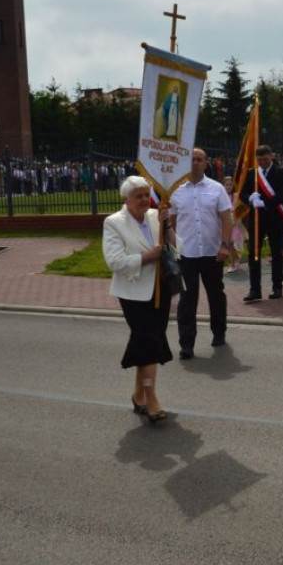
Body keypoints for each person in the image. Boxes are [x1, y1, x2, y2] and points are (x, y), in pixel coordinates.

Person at [102, 176, 174, 424]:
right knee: (148, 342)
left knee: (148, 343)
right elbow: (115, 261)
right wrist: (146, 257)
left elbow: (177, 249)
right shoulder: (114, 223)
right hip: (133, 293)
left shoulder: (156, 216)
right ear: (126, 199)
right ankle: (151, 398)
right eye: (139, 196)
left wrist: (169, 227)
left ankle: (137, 395)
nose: (145, 200)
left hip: (160, 290)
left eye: (146, 195)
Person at [169, 148, 233, 359]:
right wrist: (171, 247)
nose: (195, 163)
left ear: (206, 163)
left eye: (199, 160)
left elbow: (225, 218)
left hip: (212, 252)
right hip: (186, 255)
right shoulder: (176, 191)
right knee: (187, 299)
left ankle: (219, 332)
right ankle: (186, 344)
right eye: (191, 160)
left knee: (216, 294)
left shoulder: (217, 189)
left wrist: (224, 245)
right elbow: (172, 223)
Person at [240, 145, 283, 301]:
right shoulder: (251, 174)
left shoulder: (281, 172)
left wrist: (266, 203)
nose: (262, 162)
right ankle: (255, 289)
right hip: (256, 219)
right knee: (253, 255)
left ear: (271, 156)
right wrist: (250, 198)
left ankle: (277, 287)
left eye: (265, 159)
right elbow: (242, 192)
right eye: (260, 159)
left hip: (274, 218)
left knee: (276, 254)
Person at [222, 176, 247, 272]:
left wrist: (234, 211)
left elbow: (239, 208)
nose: (228, 187)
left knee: (231, 243)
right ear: (223, 186)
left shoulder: (235, 195)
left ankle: (233, 264)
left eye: (230, 185)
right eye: (226, 185)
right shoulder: (221, 195)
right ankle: (235, 259)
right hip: (225, 223)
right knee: (228, 244)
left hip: (234, 223)